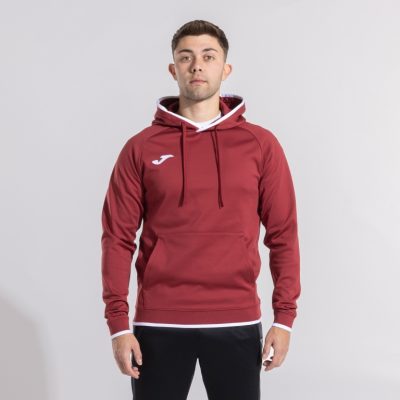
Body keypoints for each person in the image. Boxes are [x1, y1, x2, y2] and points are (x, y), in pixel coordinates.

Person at [101, 19, 301, 400]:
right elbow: (117, 238)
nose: (197, 66)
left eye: (209, 57)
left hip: (237, 317)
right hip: (159, 321)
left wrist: (285, 318)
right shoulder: (141, 148)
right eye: (186, 57)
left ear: (225, 69)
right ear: (173, 69)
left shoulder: (260, 145)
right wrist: (118, 324)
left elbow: (283, 234)